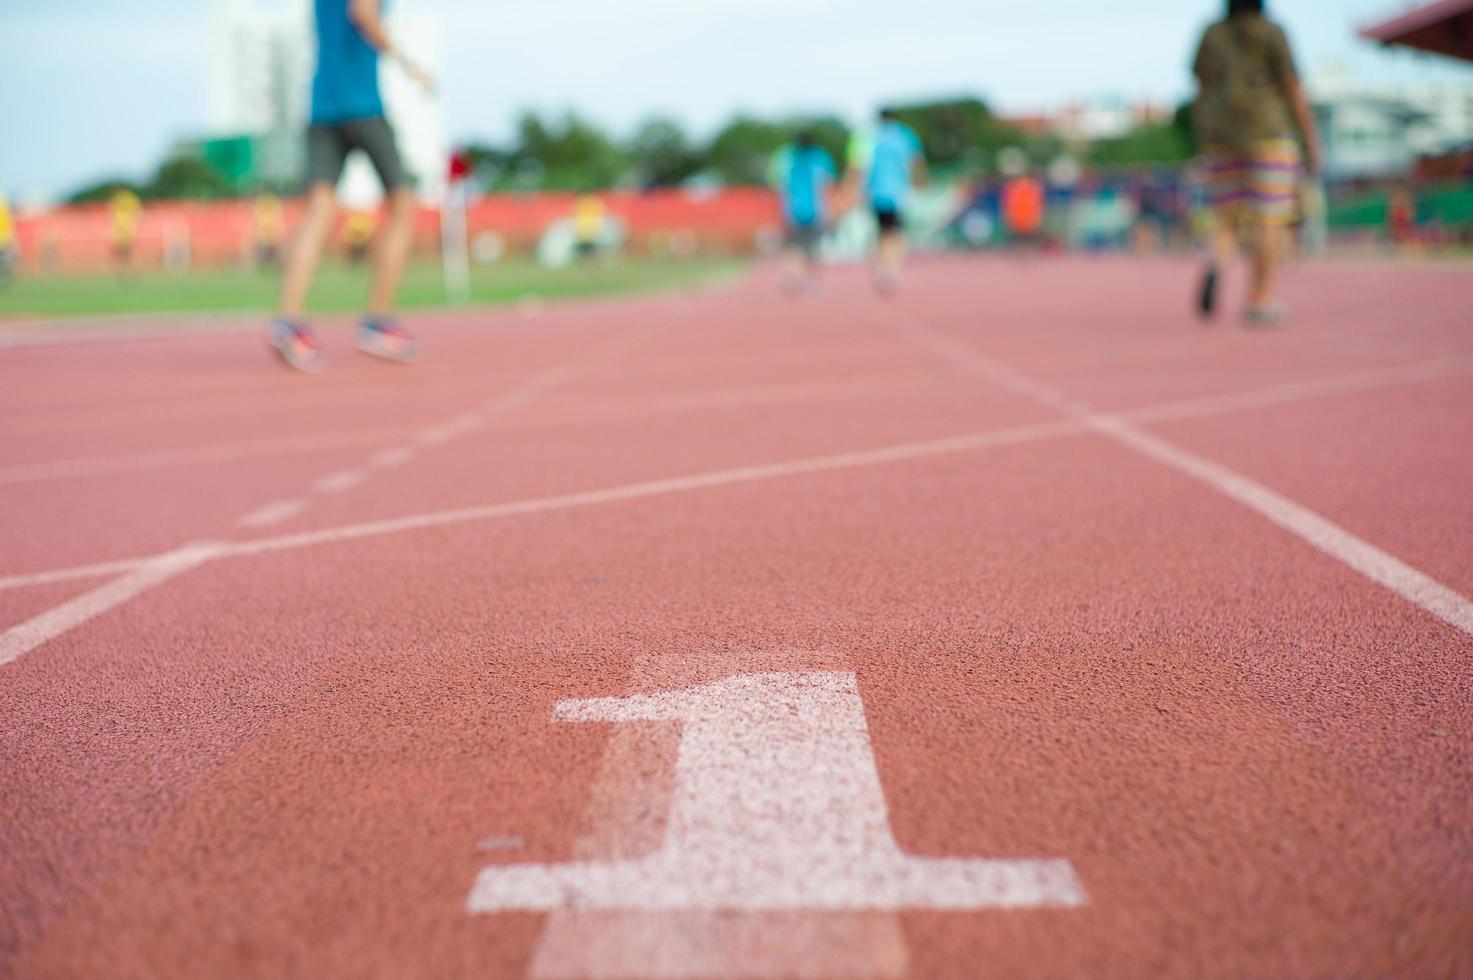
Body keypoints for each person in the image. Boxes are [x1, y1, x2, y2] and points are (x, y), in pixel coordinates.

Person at [270, 0, 434, 372]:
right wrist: (411, 66)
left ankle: (289, 319)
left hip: (322, 107)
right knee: (403, 204)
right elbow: (362, 13)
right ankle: (378, 320)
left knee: (319, 210)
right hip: (363, 104)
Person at [1191, 0, 1322, 327]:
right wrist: (1311, 142)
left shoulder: (1212, 34)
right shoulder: (1272, 32)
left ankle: (1216, 259)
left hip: (1221, 136)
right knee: (1269, 218)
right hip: (1267, 133)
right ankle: (1259, 300)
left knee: (1226, 217)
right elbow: (1291, 86)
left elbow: (1200, 82)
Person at [846, 108, 927, 294]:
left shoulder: (867, 136)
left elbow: (857, 164)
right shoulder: (904, 135)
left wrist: (851, 186)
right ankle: (891, 267)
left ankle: (882, 265)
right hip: (898, 193)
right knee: (895, 233)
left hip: (874, 193)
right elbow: (916, 160)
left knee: (882, 231)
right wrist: (920, 180)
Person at [769, 129, 837, 295]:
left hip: (793, 209)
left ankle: (791, 278)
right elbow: (827, 184)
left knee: (793, 247)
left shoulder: (785, 157)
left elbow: (778, 186)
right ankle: (812, 281)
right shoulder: (819, 157)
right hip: (815, 210)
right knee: (812, 248)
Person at [109, 188, 142, 281]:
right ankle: (125, 269)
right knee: (122, 251)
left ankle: (127, 269)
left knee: (125, 251)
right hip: (123, 229)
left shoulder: (123, 199)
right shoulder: (125, 199)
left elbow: (137, 211)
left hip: (125, 229)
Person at [0, 191, 16, 290]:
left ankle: (5, 276)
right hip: (5, 237)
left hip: (4, 237)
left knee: (5, 258)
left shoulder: (3, 204)